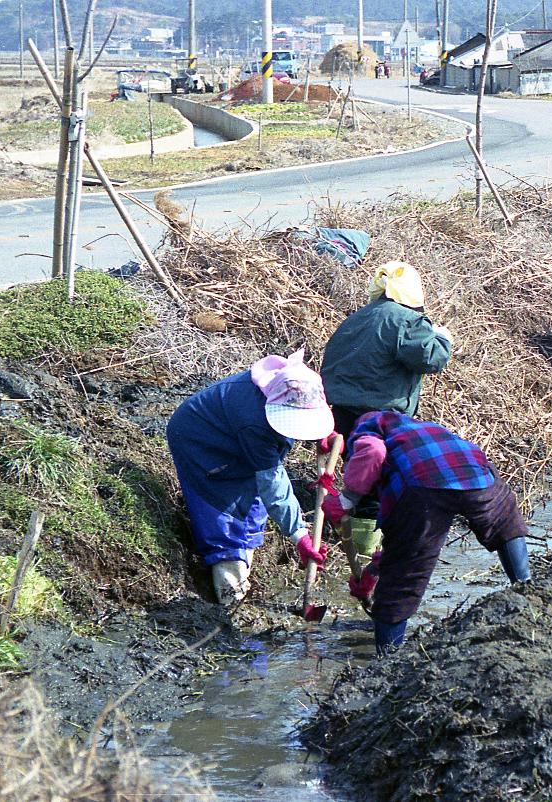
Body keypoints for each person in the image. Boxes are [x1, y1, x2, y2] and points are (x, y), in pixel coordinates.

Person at [321, 411, 531, 654]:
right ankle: (526, 586)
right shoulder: (421, 427)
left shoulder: (366, 428)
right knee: (504, 519)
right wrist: (374, 568)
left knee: (402, 577)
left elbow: (373, 453)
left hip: (422, 487)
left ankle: (387, 659)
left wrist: (346, 499)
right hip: (475, 469)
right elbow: (402, 538)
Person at [166, 350, 336, 608]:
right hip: (202, 443)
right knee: (225, 518)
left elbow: (299, 412)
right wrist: (300, 534)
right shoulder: (254, 423)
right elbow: (274, 486)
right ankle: (229, 599)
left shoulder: (286, 386)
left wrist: (319, 434)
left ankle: (243, 580)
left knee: (253, 509)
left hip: (234, 435)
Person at [320, 260, 452, 568]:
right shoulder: (408, 321)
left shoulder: (356, 318)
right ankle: (367, 558)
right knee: (378, 483)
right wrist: (443, 339)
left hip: (341, 412)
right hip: (380, 415)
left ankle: (350, 533)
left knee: (359, 471)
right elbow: (431, 359)